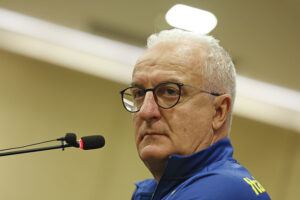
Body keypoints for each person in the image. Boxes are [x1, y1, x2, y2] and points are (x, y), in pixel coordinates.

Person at [120, 29, 271, 200]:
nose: (146, 112)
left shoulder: (220, 191)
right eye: (139, 94)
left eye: (170, 92)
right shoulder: (157, 191)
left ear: (219, 112)